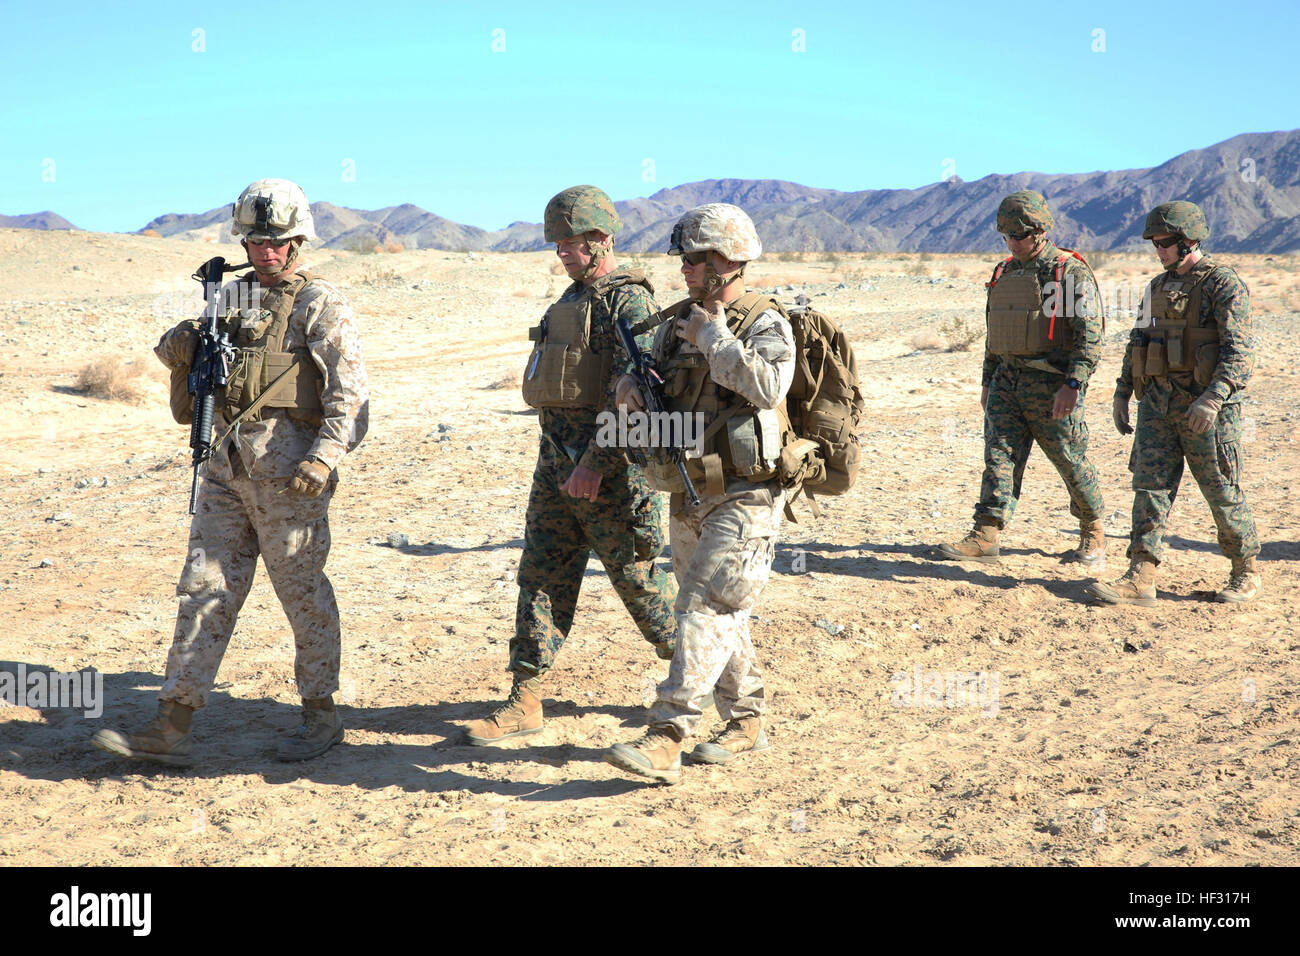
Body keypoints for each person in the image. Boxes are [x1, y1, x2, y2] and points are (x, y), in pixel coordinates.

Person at [93, 178, 370, 765]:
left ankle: (321, 713)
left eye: (279, 242)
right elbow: (186, 360)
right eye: (257, 241)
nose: (267, 251)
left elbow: (350, 395)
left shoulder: (322, 301)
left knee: (301, 594)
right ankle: (173, 723)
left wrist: (323, 457)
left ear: (299, 243)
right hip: (225, 467)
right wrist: (183, 342)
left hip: (290, 476)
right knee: (204, 589)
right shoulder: (232, 297)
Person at [463, 185, 678, 746]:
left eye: (571, 241)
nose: (561, 250)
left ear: (602, 239)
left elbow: (634, 398)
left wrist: (594, 464)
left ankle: (709, 683)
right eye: (557, 241)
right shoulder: (570, 301)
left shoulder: (629, 303)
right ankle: (525, 696)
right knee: (540, 576)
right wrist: (565, 464)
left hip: (611, 475)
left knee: (642, 584)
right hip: (556, 467)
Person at [605, 203, 793, 785]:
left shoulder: (764, 321)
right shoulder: (676, 321)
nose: (685, 269)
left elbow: (768, 386)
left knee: (707, 605)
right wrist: (630, 386)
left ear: (729, 261)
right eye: (683, 259)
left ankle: (668, 733)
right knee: (716, 606)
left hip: (749, 493)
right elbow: (657, 378)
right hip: (689, 486)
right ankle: (746, 720)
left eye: (696, 259)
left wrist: (715, 339)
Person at [1086, 201, 1261, 606]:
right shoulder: (1157, 287)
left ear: (1189, 240)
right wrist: (1122, 390)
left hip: (1205, 410)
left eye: (1165, 243)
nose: (1158, 250)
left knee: (1220, 490)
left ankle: (1246, 570)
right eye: (1155, 243)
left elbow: (1241, 353)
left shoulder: (1223, 285)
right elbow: (1138, 342)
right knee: (1149, 488)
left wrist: (1213, 399)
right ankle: (1140, 575)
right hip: (1158, 407)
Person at [935, 190, 1106, 567]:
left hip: (1052, 387)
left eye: (1020, 235)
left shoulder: (1066, 272)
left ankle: (1092, 530)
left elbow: (1089, 335)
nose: (1013, 243)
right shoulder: (1004, 272)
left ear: (1040, 230)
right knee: (998, 457)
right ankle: (986, 533)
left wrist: (1073, 384)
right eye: (1007, 236)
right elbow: (995, 333)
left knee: (1069, 460)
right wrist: (986, 381)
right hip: (1006, 384)